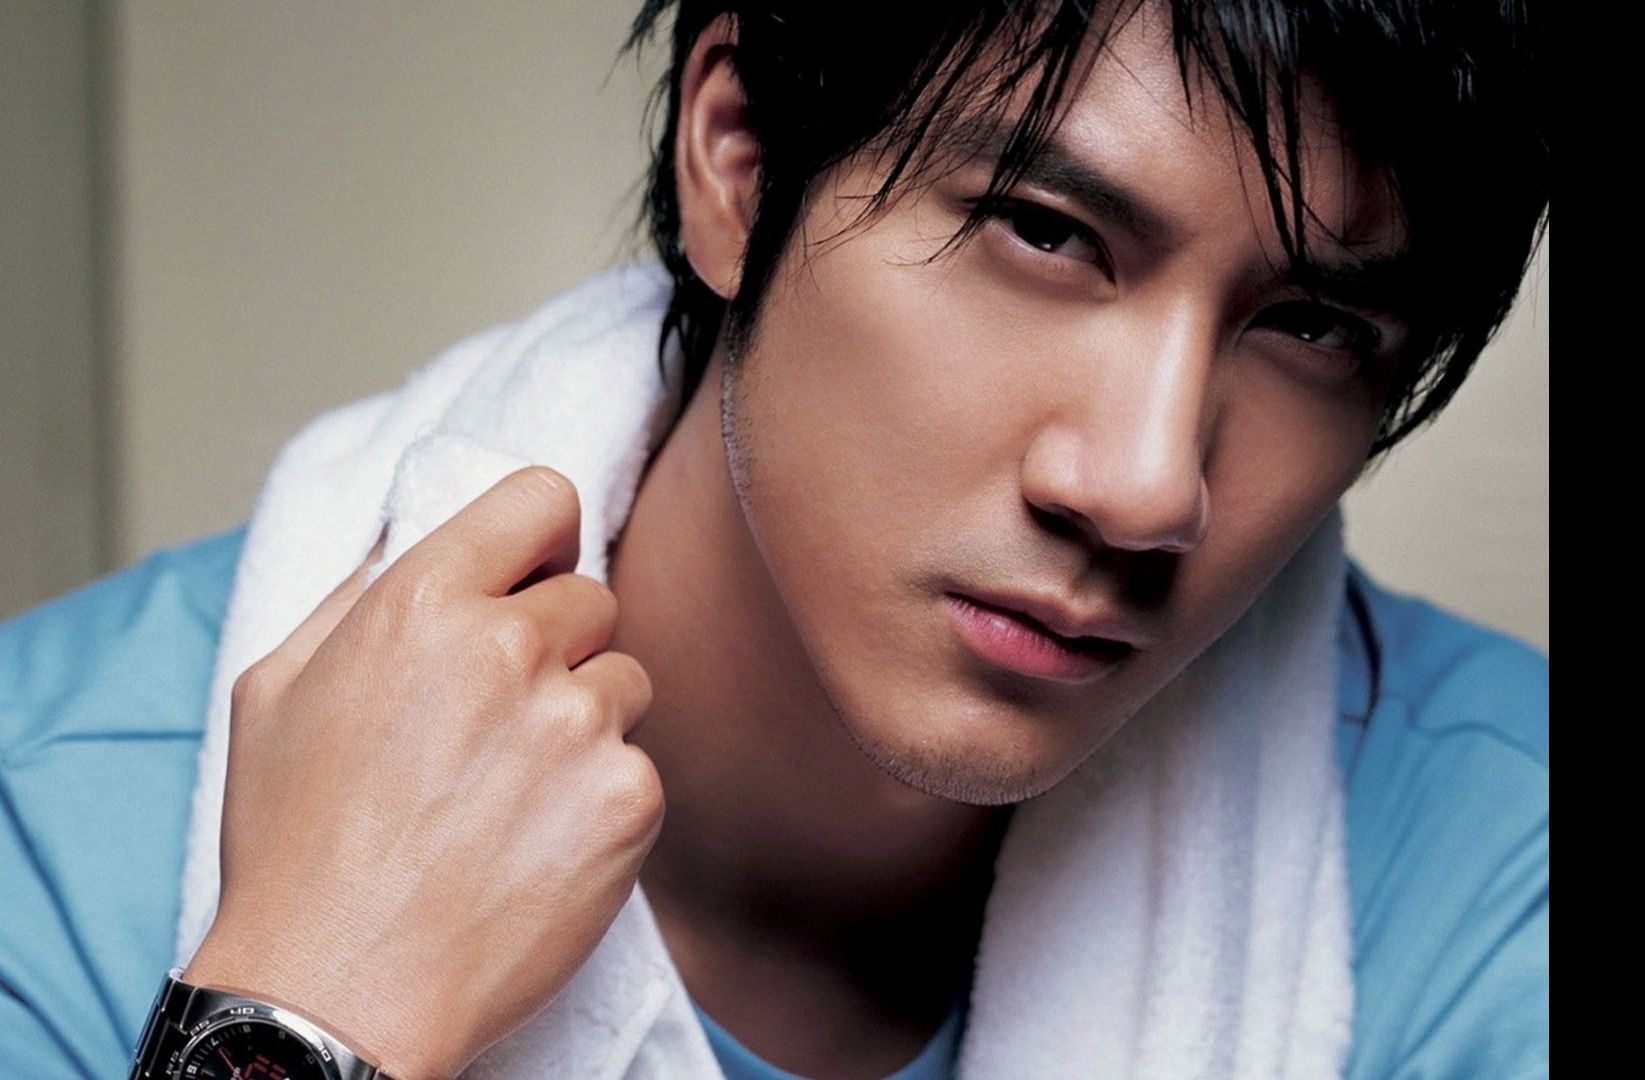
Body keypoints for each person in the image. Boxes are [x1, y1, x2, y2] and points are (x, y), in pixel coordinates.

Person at [1, 1, 1547, 1078]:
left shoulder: (1492, 861)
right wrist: (302, 1013)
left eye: (1311, 325)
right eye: (1043, 231)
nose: (1144, 488)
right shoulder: (55, 827)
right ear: (736, 161)